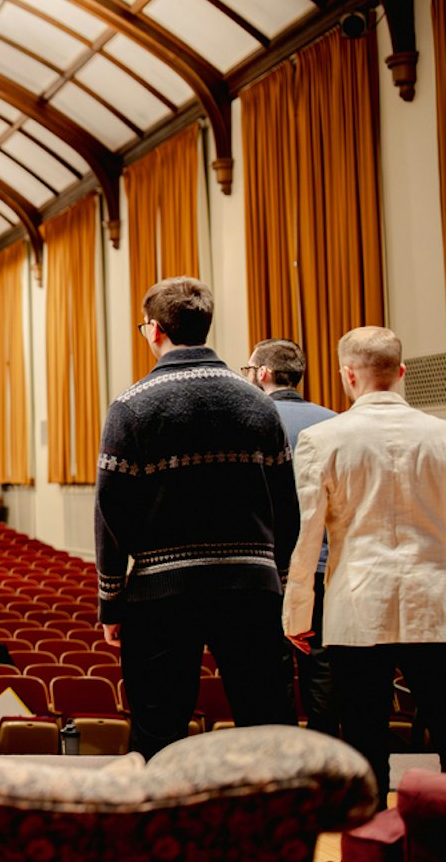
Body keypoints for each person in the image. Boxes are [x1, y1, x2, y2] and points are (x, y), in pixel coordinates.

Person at [94, 277, 298, 759]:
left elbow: (111, 510)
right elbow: (286, 505)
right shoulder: (258, 404)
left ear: (156, 330)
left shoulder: (131, 406)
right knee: (266, 720)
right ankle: (271, 827)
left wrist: (111, 598)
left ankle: (164, 828)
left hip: (162, 594)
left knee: (159, 726)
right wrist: (280, 581)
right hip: (250, 587)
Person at [284, 327, 446, 790]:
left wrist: (298, 612)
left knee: (363, 734)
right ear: (400, 372)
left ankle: (369, 838)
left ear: (346, 375)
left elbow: (308, 534)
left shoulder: (323, 439)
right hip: (435, 601)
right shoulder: (442, 436)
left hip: (356, 605)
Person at [244, 337, 337, 736]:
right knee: (322, 665)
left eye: (248, 370)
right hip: (324, 565)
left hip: (266, 567)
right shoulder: (335, 421)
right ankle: (324, 754)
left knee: (268, 667)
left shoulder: (247, 421)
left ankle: (281, 761)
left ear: (262, 374)